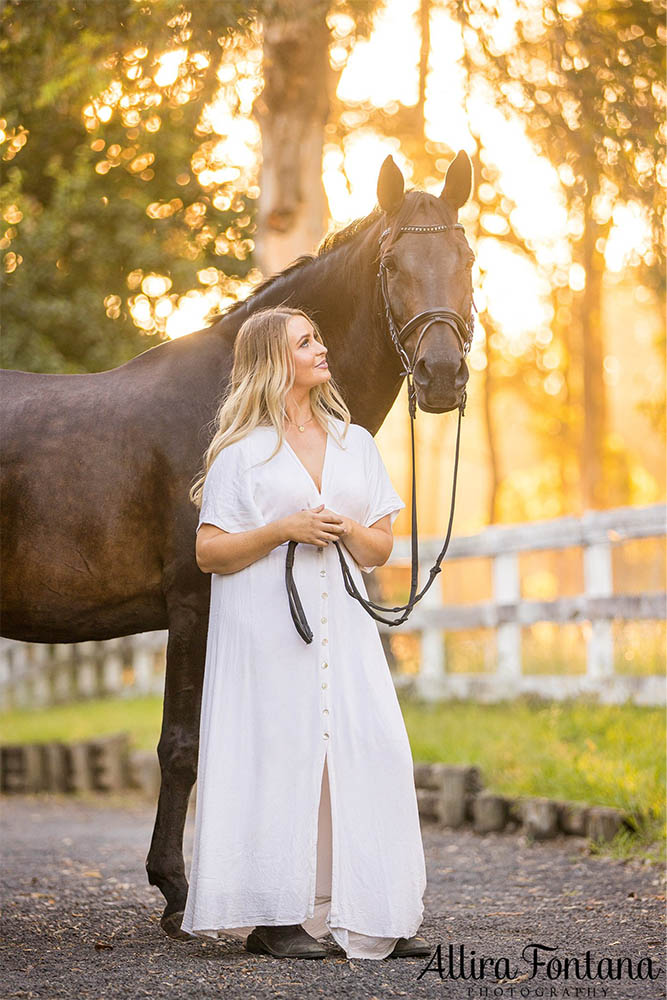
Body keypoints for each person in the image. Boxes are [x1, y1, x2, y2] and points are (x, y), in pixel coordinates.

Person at [180, 305, 429, 960]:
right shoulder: (242, 455)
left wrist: (346, 529)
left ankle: (377, 909)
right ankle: (273, 916)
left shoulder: (355, 442)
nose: (322, 348)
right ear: (273, 360)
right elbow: (210, 553)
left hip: (343, 635)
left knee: (372, 748)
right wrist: (282, 530)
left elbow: (378, 549)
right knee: (280, 759)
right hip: (266, 634)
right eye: (306, 341)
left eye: (318, 336)